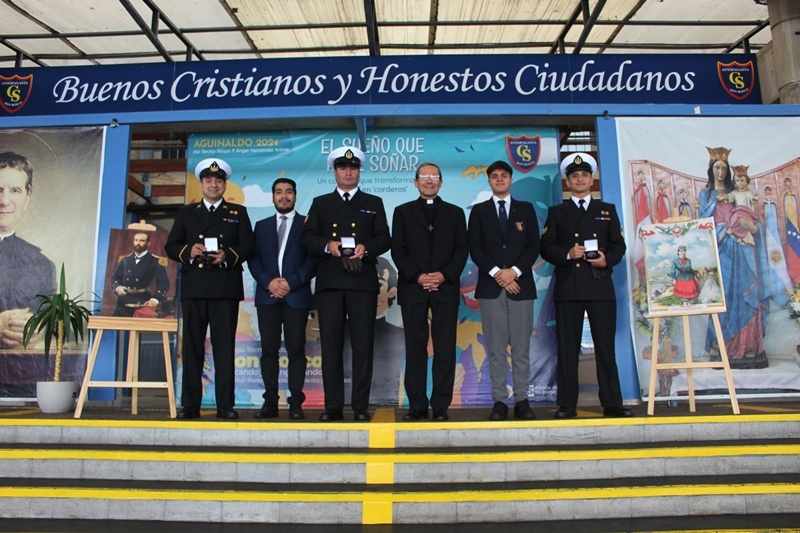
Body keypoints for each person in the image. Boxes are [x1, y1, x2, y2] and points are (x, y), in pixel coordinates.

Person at [301, 146, 391, 422]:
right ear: (335, 172)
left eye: (353, 168)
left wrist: (366, 247)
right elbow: (307, 237)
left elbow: (384, 238)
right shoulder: (320, 203)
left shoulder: (373, 202)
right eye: (343, 168)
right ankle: (333, 407)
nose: (348, 172)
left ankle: (361, 407)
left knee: (363, 346)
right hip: (330, 283)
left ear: (359, 172)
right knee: (331, 346)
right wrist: (328, 245)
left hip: (362, 282)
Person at [540, 152, 631, 419]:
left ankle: (612, 403)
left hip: (599, 286)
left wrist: (606, 260)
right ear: (568, 182)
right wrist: (568, 254)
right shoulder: (557, 212)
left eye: (584, 175)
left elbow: (619, 245)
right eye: (574, 176)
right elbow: (546, 247)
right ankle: (566, 404)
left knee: (605, 347)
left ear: (592, 180)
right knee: (567, 349)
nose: (580, 179)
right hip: (569, 288)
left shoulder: (607, 210)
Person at [165, 158, 255, 420]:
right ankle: (190, 405)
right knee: (192, 348)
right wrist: (189, 252)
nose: (213, 184)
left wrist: (226, 255)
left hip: (225, 288)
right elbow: (171, 246)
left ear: (225, 185)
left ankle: (225, 405)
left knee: (224, 348)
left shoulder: (238, 213)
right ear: (201, 184)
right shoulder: (186, 213)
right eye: (208, 180)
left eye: (218, 180)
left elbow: (249, 246)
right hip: (194, 288)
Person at [391, 162, 468, 422]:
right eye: (424, 176)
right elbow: (398, 250)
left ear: (441, 182)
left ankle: (441, 406)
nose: (429, 180)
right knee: (415, 348)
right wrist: (419, 276)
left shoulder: (455, 213)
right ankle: (417, 406)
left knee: (445, 348)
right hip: (414, 287)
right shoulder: (402, 212)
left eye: (434, 176)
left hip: (445, 287)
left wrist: (443, 275)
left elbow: (461, 250)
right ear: (415, 182)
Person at [467, 160, 539, 421]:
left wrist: (514, 272)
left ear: (511, 180)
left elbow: (534, 246)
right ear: (489, 181)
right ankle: (499, 401)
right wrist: (499, 273)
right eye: (494, 176)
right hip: (491, 287)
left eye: (504, 176)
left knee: (521, 348)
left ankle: (522, 400)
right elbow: (475, 248)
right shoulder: (479, 211)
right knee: (496, 349)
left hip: (521, 286)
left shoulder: (526, 209)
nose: (499, 179)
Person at [248, 177, 316, 420]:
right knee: (269, 352)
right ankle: (270, 404)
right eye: (279, 192)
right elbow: (253, 259)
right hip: (267, 296)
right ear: (273, 196)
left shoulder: (308, 224)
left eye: (288, 192)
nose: (284, 196)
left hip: (295, 295)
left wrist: (290, 282)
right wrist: (269, 282)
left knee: (296, 351)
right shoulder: (262, 226)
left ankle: (296, 403)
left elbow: (313, 260)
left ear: (295, 196)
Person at [698, 147, 769, 368]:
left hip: (744, 249)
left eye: (723, 168)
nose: (720, 172)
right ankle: (722, 345)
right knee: (725, 296)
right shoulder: (707, 195)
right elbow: (702, 225)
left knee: (746, 293)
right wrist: (725, 231)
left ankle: (749, 346)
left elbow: (752, 217)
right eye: (716, 168)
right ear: (711, 170)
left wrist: (754, 229)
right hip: (722, 250)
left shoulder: (738, 190)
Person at [0, 151, 56, 350]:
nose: (4, 201)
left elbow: (55, 323)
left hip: (24, 376)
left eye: (15, 190)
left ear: (27, 197)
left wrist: (39, 330)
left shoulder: (43, 265)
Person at [110, 232, 170, 317]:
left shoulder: (155, 261)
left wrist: (156, 298)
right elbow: (115, 278)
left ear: (148, 243)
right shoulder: (125, 260)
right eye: (136, 240)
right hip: (123, 301)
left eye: (142, 241)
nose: (138, 243)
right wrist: (118, 287)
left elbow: (163, 283)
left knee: (140, 327)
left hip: (142, 300)